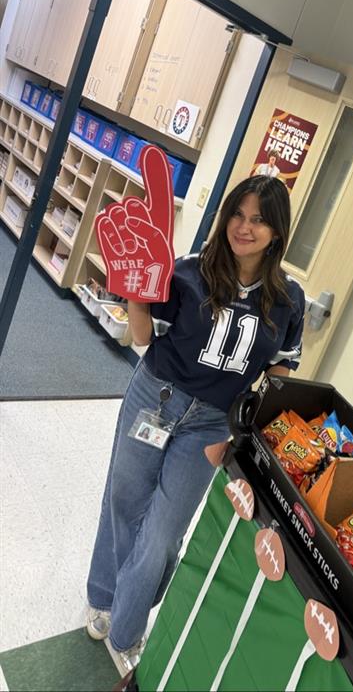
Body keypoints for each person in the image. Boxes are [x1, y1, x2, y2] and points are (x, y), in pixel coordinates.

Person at [85, 176, 304, 671]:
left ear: (277, 231)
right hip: (155, 397)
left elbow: (280, 374)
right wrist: (135, 290)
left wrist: (242, 431)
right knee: (124, 502)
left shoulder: (289, 297)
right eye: (238, 214)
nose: (244, 228)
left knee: (164, 531)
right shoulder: (188, 271)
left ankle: (126, 628)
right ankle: (103, 596)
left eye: (259, 219)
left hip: (210, 425)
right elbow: (140, 338)